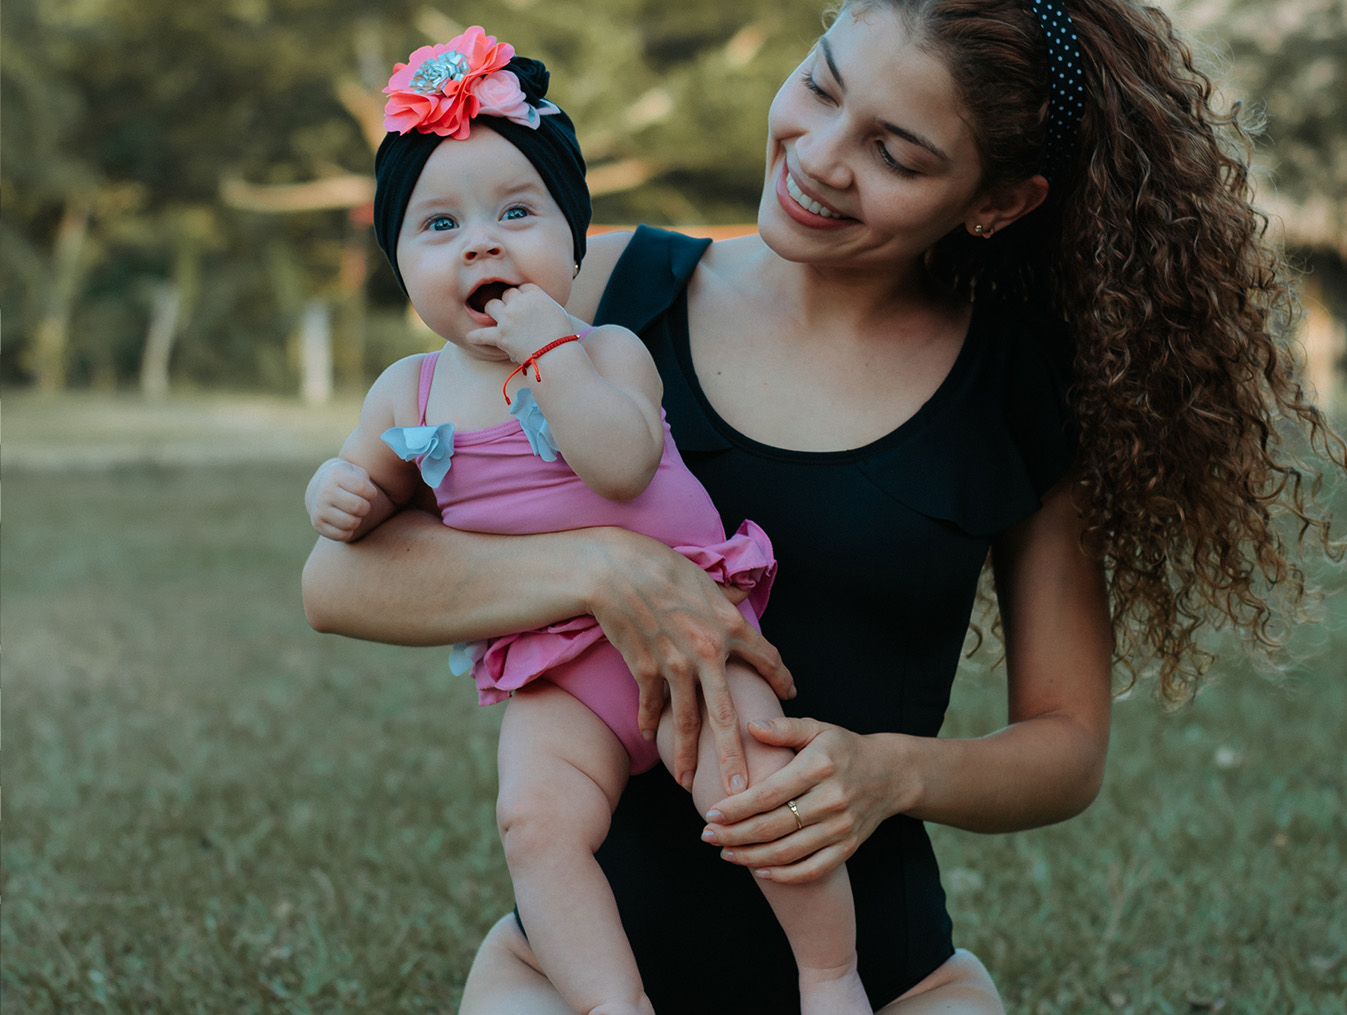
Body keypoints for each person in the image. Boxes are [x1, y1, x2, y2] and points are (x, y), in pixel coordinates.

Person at [302, 1, 1345, 1011]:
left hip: (888, 987)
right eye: (822, 84)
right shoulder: (589, 286)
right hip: (561, 982)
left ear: (999, 201)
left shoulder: (1017, 391)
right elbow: (338, 578)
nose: (819, 155)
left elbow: (1065, 748)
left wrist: (887, 772)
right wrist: (604, 571)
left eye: (897, 152)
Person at [306, 28, 872, 1015]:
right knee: (533, 822)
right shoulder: (409, 391)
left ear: (575, 240)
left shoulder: (607, 350)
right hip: (558, 665)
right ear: (398, 265)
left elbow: (620, 462)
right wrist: (338, 492)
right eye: (438, 227)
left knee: (757, 790)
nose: (482, 240)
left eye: (517, 212)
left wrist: (548, 356)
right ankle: (614, 1003)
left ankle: (830, 976)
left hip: (695, 628)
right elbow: (365, 505)